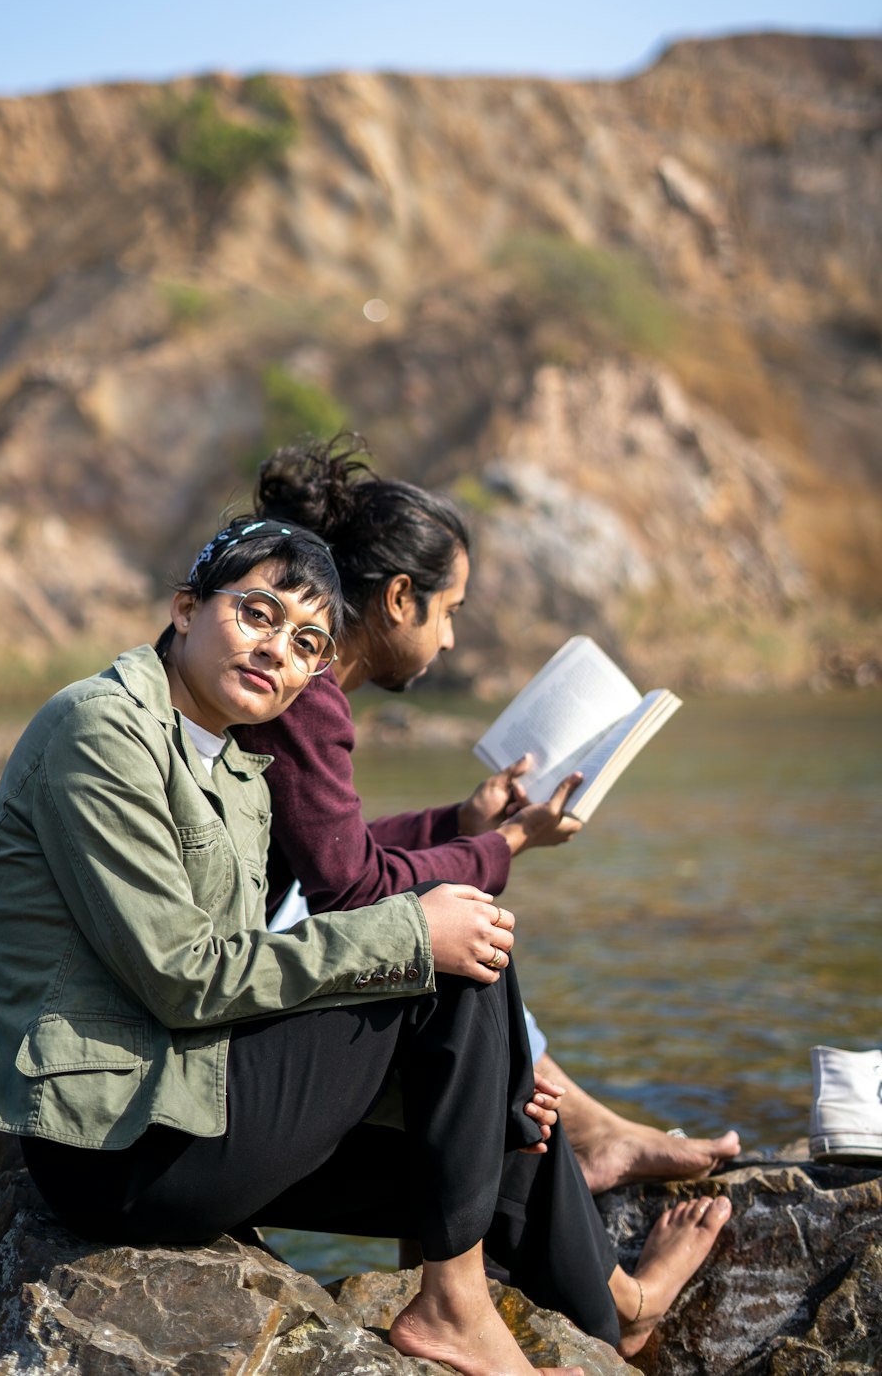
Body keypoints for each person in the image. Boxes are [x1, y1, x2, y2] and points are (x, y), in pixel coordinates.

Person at [0, 515, 632, 1376]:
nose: (277, 650)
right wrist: (414, 934)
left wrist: (489, 1097)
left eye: (307, 641)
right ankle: (455, 1309)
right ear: (184, 608)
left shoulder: (234, 768)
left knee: (506, 1148)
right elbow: (187, 978)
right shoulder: (102, 733)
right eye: (257, 615)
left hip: (191, 1100)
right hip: (120, 1148)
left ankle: (619, 1338)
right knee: (451, 956)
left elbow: (298, 927)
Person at [242, 435, 741, 1199]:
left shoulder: (301, 684)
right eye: (448, 613)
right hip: (236, 998)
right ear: (400, 599)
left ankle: (586, 1147)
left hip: (254, 948)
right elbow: (348, 887)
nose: (448, 638)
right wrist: (506, 842)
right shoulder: (305, 692)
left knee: (451, 942)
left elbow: (326, 856)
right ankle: (580, 1203)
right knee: (461, 949)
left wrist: (464, 821)